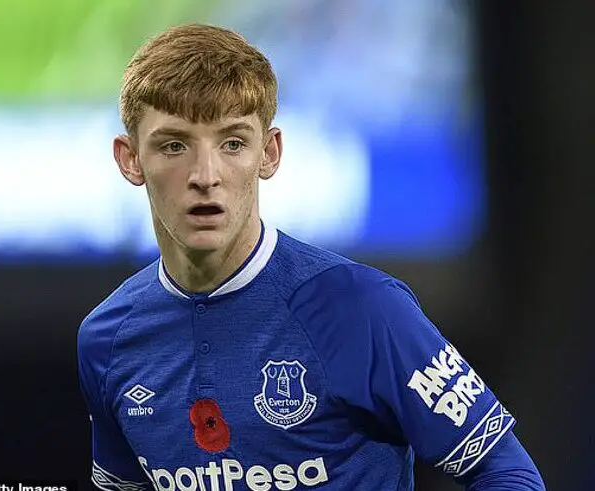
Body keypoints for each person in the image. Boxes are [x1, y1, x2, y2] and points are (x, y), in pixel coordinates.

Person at [77, 23, 545, 491]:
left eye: (233, 143)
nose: (205, 175)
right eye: (174, 145)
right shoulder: (109, 338)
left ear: (270, 153)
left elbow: (506, 472)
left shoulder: (361, 308)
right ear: (130, 159)